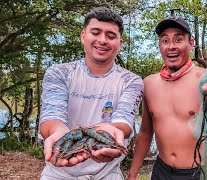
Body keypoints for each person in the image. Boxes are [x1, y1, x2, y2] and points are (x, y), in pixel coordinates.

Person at [127, 16, 207, 180]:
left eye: (178, 39)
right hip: (161, 171)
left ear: (190, 43)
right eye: (165, 40)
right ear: (160, 45)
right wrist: (133, 173)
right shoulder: (148, 83)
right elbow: (146, 132)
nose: (171, 46)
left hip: (199, 173)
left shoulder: (206, 79)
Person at [39, 7, 143, 180]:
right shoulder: (59, 73)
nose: (102, 40)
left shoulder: (131, 81)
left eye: (111, 36)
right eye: (95, 32)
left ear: (120, 43)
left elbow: (124, 120)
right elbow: (52, 114)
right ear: (83, 36)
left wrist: (112, 131)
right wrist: (58, 130)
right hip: (58, 174)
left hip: (107, 173)